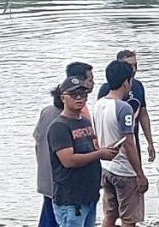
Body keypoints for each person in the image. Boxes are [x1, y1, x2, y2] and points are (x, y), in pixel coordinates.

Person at [47, 76, 118, 227]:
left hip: (89, 195)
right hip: (71, 199)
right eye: (73, 95)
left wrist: (107, 151)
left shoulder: (85, 121)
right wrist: (99, 154)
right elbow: (68, 160)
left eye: (83, 94)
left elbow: (92, 150)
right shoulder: (59, 126)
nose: (79, 98)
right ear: (63, 98)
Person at [93, 61, 149, 227]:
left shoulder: (99, 104)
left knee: (110, 214)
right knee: (129, 219)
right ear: (127, 82)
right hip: (124, 170)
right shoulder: (124, 108)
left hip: (106, 167)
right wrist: (139, 173)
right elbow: (129, 143)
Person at [98, 50, 155, 162]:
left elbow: (143, 114)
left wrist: (150, 142)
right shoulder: (107, 89)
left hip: (133, 139)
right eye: (129, 65)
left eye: (135, 65)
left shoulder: (138, 86)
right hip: (113, 146)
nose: (133, 69)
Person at [34, 85, 63, 227]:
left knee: (48, 214)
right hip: (60, 181)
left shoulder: (46, 112)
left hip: (46, 177)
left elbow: (37, 142)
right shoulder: (65, 119)